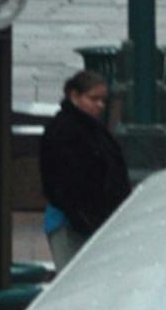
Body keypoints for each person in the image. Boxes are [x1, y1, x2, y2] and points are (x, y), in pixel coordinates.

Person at [38, 69, 131, 268]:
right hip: (72, 222)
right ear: (74, 96)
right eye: (93, 99)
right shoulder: (64, 131)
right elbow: (61, 184)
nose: (100, 105)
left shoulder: (93, 130)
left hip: (88, 221)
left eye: (103, 100)